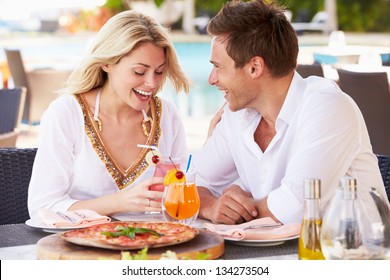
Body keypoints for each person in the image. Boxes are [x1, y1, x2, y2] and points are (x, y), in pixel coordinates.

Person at [193, 0, 389, 225]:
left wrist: (239, 208)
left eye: (218, 67)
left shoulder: (328, 107)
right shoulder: (237, 114)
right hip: (273, 253)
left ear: (254, 67)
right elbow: (186, 184)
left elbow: (297, 207)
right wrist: (211, 206)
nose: (211, 79)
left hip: (353, 253)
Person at [28, 10, 189, 219]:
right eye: (139, 72)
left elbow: (181, 193)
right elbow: (43, 207)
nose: (152, 83)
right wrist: (119, 202)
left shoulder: (168, 115)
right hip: (80, 246)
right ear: (107, 63)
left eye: (159, 71)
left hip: (153, 244)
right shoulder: (66, 114)